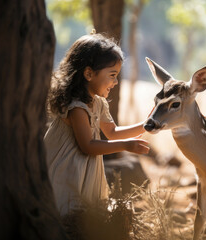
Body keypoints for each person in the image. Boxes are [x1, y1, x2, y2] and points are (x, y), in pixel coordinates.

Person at [44, 32, 149, 217]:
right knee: (67, 211)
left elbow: (112, 132)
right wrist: (126, 145)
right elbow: (87, 146)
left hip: (84, 170)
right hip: (67, 170)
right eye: (112, 75)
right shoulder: (77, 107)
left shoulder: (98, 102)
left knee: (86, 213)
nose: (116, 82)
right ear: (89, 73)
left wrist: (147, 125)